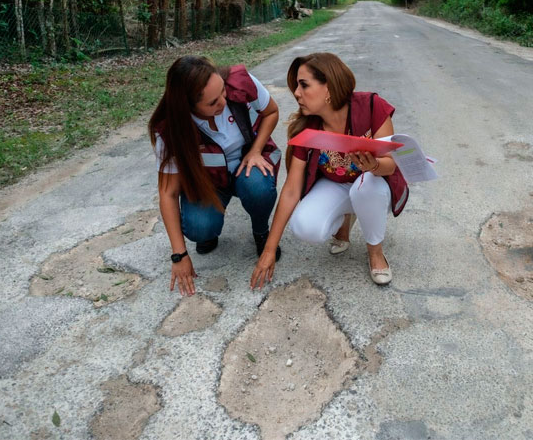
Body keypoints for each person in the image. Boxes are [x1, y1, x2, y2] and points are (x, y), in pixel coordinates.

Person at [250, 52, 408, 290]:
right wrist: (269, 250)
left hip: (373, 184)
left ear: (329, 88)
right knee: (305, 227)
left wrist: (373, 165)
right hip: (336, 184)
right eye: (296, 86)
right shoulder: (306, 129)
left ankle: (375, 252)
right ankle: (346, 221)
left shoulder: (372, 106)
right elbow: (292, 190)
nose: (296, 93)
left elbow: (391, 165)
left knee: (366, 188)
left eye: (304, 85)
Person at [149, 56, 282, 296]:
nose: (224, 100)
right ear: (187, 106)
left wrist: (254, 151)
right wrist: (179, 255)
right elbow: (168, 193)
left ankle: (261, 230)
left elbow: (272, 111)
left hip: (247, 164)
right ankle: (209, 232)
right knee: (199, 227)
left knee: (259, 187)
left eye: (222, 90)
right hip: (209, 181)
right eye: (213, 102)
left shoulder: (240, 82)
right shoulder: (169, 130)